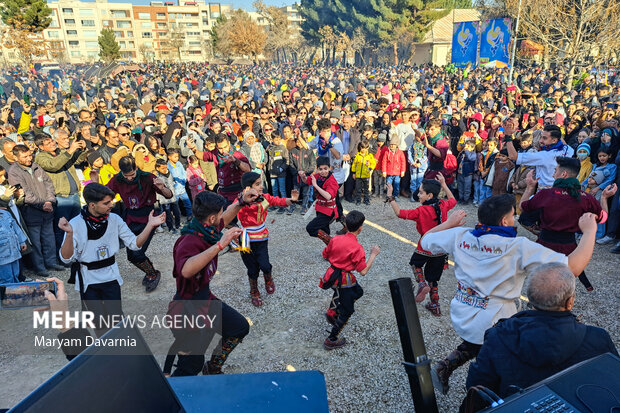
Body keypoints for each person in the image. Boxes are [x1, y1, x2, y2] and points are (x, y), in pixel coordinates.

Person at [419, 194, 598, 395]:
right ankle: (488, 391)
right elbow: (572, 268)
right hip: (497, 318)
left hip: (461, 309)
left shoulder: (460, 235)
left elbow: (425, 240)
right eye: (513, 216)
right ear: (504, 221)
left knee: (482, 339)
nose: (514, 220)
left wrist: (449, 223)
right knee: (507, 350)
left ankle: (446, 366)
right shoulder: (518, 246)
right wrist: (590, 232)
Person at [465, 263, 618, 398]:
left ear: (530, 299)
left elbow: (477, 388)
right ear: (570, 302)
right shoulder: (598, 338)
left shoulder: (497, 337)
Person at [169, 190, 257, 376]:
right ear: (210, 218)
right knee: (190, 366)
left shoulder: (204, 227)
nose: (221, 218)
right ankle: (178, 400)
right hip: (188, 310)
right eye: (218, 213)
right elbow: (186, 269)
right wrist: (220, 245)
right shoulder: (188, 240)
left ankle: (213, 366)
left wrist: (240, 202)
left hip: (205, 300)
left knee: (239, 327)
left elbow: (222, 220)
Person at [57, 183, 165, 335]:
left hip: (110, 276)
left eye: (111, 201)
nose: (111, 205)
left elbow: (134, 244)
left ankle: (121, 350)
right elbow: (66, 258)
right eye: (106, 203)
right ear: (92, 205)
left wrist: (150, 225)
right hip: (88, 279)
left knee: (116, 319)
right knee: (99, 323)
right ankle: (107, 353)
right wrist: (69, 234)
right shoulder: (75, 224)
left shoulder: (114, 219)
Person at [520, 157, 612, 292]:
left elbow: (523, 207)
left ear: (563, 174)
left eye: (555, 170)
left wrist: (529, 187)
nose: (553, 174)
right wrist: (604, 197)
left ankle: (540, 303)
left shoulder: (546, 194)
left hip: (544, 246)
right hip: (570, 248)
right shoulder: (586, 198)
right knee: (564, 283)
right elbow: (603, 218)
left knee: (542, 279)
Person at [386, 173, 456, 316]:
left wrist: (390, 196)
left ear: (429, 196)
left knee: (415, 264)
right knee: (434, 278)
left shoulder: (421, 210)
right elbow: (453, 200)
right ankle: (435, 305)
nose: (418, 195)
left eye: (421, 192)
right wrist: (443, 184)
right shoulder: (443, 205)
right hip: (441, 249)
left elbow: (400, 213)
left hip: (425, 246)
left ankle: (422, 283)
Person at [107, 155, 173, 292]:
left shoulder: (147, 177)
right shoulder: (117, 179)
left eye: (132, 175)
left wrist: (162, 187)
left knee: (138, 252)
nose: (129, 178)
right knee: (131, 255)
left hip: (148, 218)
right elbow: (106, 193)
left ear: (136, 168)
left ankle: (153, 273)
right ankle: (151, 272)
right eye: (126, 175)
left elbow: (169, 195)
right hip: (130, 217)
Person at [236, 172, 298, 306]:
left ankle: (268, 278)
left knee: (264, 264)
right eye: (257, 184)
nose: (261, 187)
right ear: (247, 188)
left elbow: (278, 201)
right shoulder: (239, 201)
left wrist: (291, 200)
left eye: (261, 183)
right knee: (251, 268)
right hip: (246, 239)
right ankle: (254, 290)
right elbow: (229, 216)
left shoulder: (264, 197)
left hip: (262, 238)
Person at [320, 210, 380, 349]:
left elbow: (325, 254)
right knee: (347, 310)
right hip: (344, 279)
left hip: (332, 275)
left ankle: (333, 311)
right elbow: (363, 271)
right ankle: (332, 339)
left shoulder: (335, 239)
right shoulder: (357, 248)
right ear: (360, 228)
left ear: (345, 225)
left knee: (358, 291)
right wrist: (373, 255)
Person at [8, 144, 62, 277]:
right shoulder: (14, 172)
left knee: (49, 238)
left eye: (29, 155)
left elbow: (48, 184)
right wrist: (42, 204)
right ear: (16, 157)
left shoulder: (36, 166)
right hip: (31, 213)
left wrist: (49, 201)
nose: (29, 158)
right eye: (24, 156)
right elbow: (24, 193)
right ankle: (39, 267)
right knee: (36, 243)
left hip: (47, 211)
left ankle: (51, 262)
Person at [35, 132, 87, 259]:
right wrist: (69, 150)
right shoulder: (40, 157)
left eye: (52, 141)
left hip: (74, 195)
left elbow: (78, 159)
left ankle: (78, 253)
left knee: (77, 226)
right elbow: (54, 165)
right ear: (41, 147)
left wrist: (82, 149)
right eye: (48, 143)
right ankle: (63, 257)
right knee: (62, 229)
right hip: (61, 198)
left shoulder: (61, 151)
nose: (52, 144)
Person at [186, 133, 251, 208]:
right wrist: (193, 148)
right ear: (216, 146)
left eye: (225, 147)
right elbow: (203, 156)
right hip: (222, 192)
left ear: (229, 143)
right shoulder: (215, 153)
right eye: (220, 148)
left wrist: (235, 160)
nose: (223, 150)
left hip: (236, 193)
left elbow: (248, 169)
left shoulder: (237, 154)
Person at [301, 156, 340, 243]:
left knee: (311, 228)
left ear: (329, 168)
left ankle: (333, 244)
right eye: (320, 169)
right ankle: (330, 250)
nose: (323, 171)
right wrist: (303, 176)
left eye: (325, 168)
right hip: (320, 208)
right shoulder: (318, 176)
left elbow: (328, 196)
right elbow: (307, 181)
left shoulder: (332, 181)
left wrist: (315, 186)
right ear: (317, 169)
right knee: (325, 231)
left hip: (328, 211)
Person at [0, 207, 27, 283]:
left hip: (14, 252)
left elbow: (16, 228)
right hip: (2, 257)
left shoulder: (5, 213)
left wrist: (22, 241)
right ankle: (4, 294)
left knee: (15, 274)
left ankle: (15, 292)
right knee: (6, 278)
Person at [155, 158, 180, 234]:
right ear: (157, 168)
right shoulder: (156, 176)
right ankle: (171, 228)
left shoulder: (169, 173)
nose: (165, 169)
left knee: (176, 211)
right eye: (162, 168)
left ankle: (177, 225)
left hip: (172, 196)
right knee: (168, 213)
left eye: (166, 167)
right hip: (164, 198)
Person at [266, 133, 289, 213]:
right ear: (272, 140)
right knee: (274, 189)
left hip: (281, 173)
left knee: (282, 190)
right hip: (272, 173)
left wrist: (281, 169)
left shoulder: (283, 148)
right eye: (276, 140)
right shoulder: (270, 148)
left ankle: (283, 205)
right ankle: (275, 204)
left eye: (279, 139)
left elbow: (287, 160)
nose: (278, 141)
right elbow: (268, 159)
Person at [167, 148, 192, 220]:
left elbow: (184, 173)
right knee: (175, 206)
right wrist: (174, 183)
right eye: (175, 157)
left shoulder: (179, 163)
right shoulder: (168, 167)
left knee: (187, 203)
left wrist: (184, 180)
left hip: (182, 188)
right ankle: (178, 219)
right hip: (174, 190)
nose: (177, 158)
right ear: (169, 157)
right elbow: (169, 178)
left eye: (177, 156)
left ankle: (189, 216)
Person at [382, 132, 407, 201]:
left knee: (396, 185)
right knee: (389, 184)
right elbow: (384, 162)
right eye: (391, 144)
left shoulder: (400, 153)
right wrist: (384, 171)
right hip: (389, 172)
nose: (392, 146)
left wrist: (402, 171)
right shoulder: (387, 152)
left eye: (394, 144)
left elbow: (403, 162)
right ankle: (388, 195)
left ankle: (395, 195)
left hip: (397, 172)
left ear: (397, 145)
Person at [351, 140, 376, 205]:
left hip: (366, 175)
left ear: (367, 148)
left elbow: (373, 163)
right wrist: (353, 172)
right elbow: (354, 164)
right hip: (358, 176)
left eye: (365, 148)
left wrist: (371, 168)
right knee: (358, 189)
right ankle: (358, 200)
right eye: (362, 148)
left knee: (366, 189)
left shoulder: (370, 156)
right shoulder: (357, 156)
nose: (364, 150)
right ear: (360, 147)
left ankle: (366, 200)